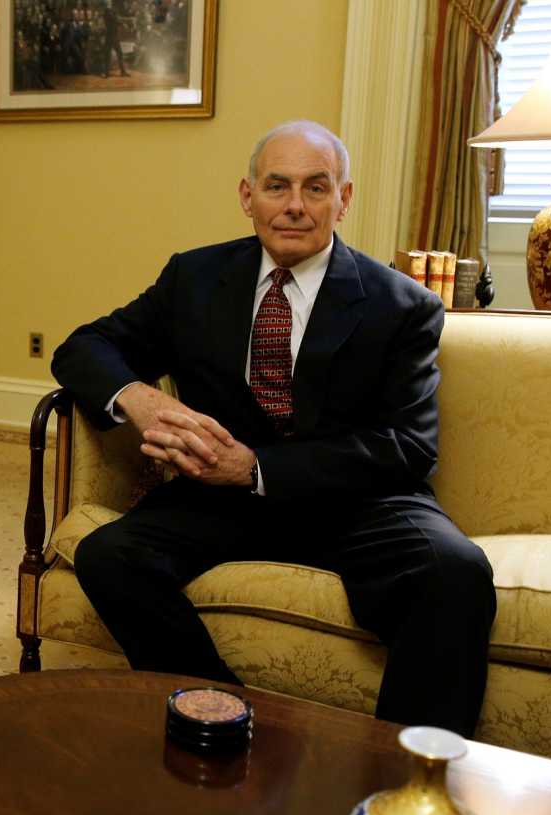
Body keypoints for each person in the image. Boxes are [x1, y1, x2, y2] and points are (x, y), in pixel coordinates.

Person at [51, 120, 495, 738]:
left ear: (344, 200)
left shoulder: (402, 304)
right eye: (276, 186)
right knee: (109, 554)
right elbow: (83, 348)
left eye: (316, 188)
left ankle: (407, 778)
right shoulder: (195, 278)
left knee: (455, 572)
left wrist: (258, 469)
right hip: (220, 498)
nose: (293, 206)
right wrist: (141, 401)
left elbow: (409, 446)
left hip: (357, 501)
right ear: (246, 196)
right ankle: (226, 719)